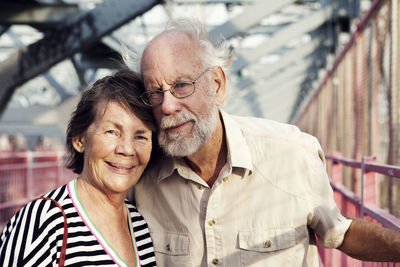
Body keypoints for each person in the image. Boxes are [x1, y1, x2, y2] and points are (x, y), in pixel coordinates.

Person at [129, 18, 400, 266]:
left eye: (182, 85)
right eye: (154, 92)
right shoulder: (139, 178)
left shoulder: (291, 154)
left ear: (217, 85)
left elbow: (339, 233)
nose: (167, 106)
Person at [0, 70, 157, 267]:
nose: (127, 149)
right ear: (79, 139)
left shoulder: (139, 224)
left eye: (140, 136)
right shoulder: (43, 222)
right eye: (112, 132)